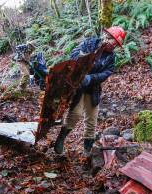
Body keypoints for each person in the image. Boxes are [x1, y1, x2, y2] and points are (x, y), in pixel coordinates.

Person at [54, 26, 126, 154]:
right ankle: (61, 139)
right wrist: (85, 58)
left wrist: (91, 78)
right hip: (78, 86)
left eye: (115, 44)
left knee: (92, 119)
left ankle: (87, 151)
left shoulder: (111, 57)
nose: (112, 45)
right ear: (106, 36)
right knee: (75, 114)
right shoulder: (90, 43)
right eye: (111, 41)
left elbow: (107, 72)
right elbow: (74, 54)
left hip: (93, 88)